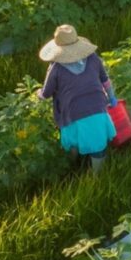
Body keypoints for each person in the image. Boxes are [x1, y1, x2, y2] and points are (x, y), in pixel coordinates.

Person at [38, 24, 119, 171]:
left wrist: (40, 94)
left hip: (71, 112)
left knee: (73, 140)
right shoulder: (93, 58)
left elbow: (47, 92)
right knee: (97, 144)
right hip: (97, 108)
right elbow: (105, 80)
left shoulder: (56, 68)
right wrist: (112, 98)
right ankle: (98, 176)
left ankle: (73, 165)